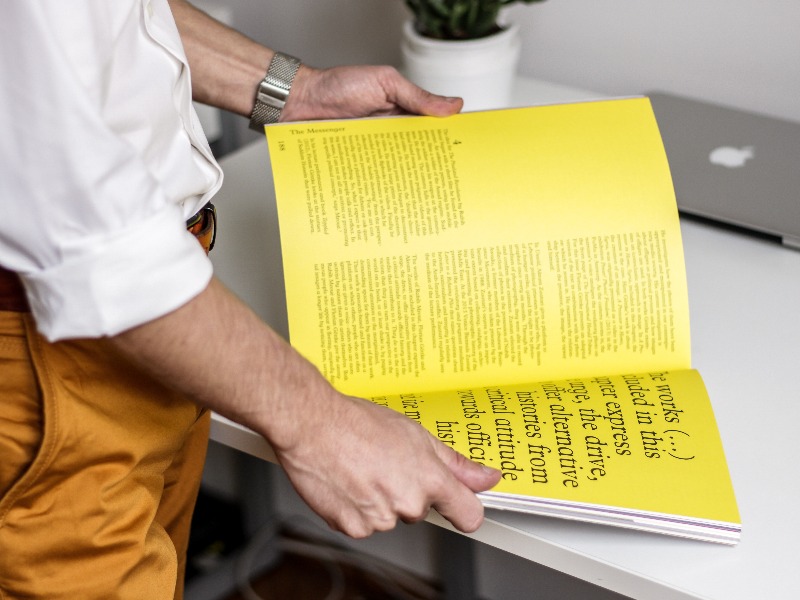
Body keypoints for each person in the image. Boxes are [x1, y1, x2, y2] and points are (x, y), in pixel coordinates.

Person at [0, 1, 501, 598]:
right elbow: (94, 244)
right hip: (55, 348)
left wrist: (298, 92)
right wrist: (319, 421)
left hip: (168, 320)